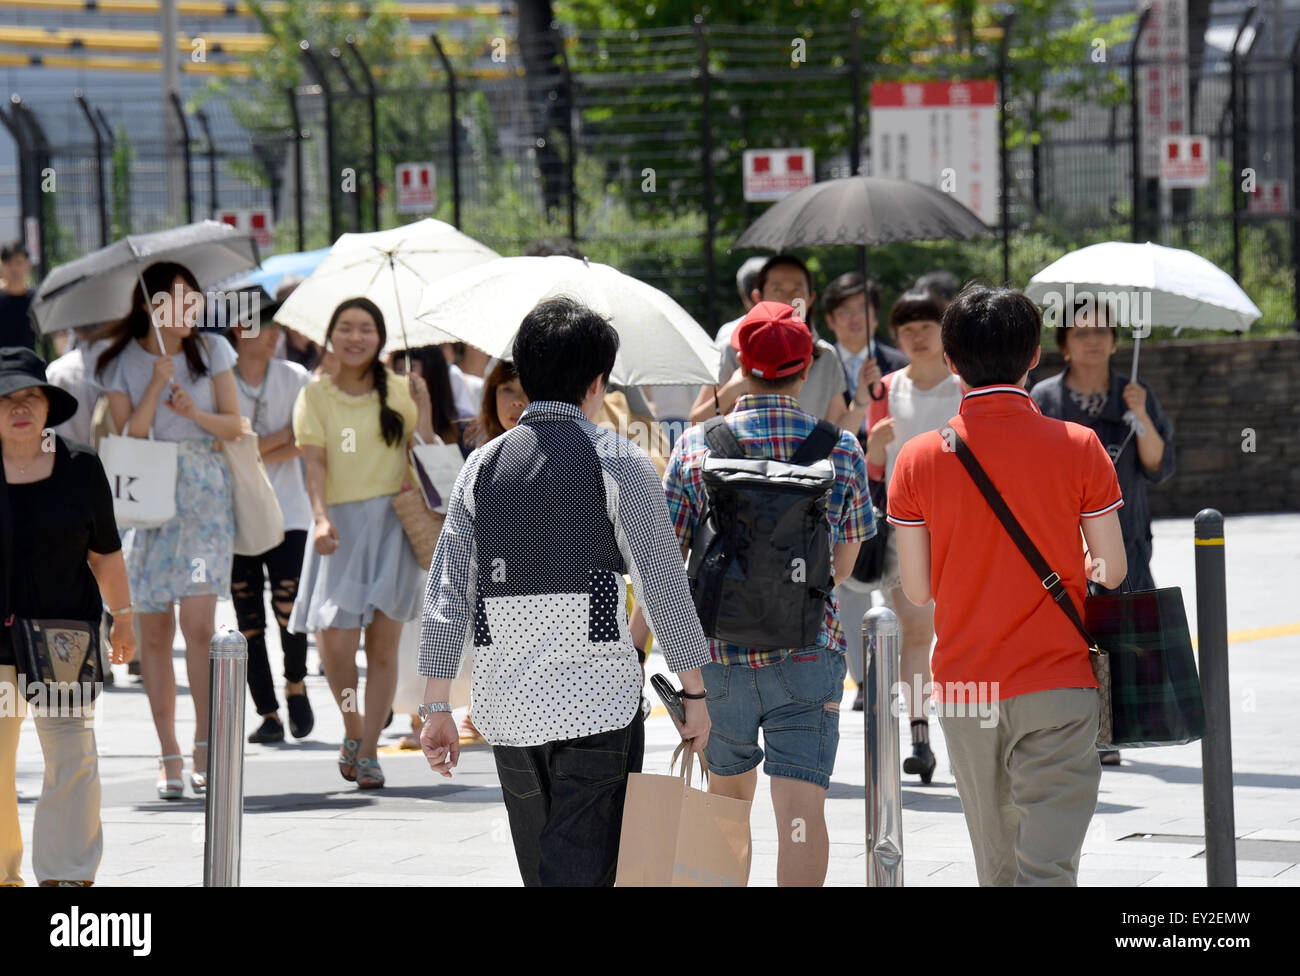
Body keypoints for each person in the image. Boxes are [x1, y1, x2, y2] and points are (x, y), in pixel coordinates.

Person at [418, 296, 712, 888]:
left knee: (546, 870)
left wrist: (435, 705)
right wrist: (695, 695)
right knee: (581, 870)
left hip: (507, 703)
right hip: (598, 697)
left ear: (523, 376)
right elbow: (662, 585)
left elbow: (449, 589)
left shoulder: (481, 465)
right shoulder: (619, 460)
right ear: (598, 381)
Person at [887, 285, 1127, 886]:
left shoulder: (917, 458)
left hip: (967, 683)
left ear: (951, 362)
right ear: (1035, 356)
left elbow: (916, 591)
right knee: (1046, 865)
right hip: (1058, 677)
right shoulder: (1079, 446)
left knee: (995, 866)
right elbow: (1113, 569)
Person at [664, 301, 873, 887]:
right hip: (809, 649)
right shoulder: (841, 448)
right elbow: (849, 557)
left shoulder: (697, 445)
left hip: (719, 657)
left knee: (725, 804)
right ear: (806, 368)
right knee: (801, 815)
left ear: (738, 362)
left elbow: (670, 559)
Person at [98, 261, 242, 799]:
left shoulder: (213, 351)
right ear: (148, 306)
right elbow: (124, 438)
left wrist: (192, 412)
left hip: (203, 493)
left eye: (193, 299)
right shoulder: (117, 363)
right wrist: (154, 388)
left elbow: (235, 425)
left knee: (200, 625)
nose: (189, 311)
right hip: (145, 498)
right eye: (177, 302)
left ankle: (206, 744)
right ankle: (169, 754)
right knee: (153, 631)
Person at [0, 348, 137, 886]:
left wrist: (123, 619)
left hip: (63, 639)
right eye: (6, 399)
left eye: (29, 396)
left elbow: (105, 551)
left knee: (72, 759)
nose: (19, 408)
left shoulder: (80, 465)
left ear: (47, 405)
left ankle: (66, 875)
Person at [288, 297, 434, 790]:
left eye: (366, 328)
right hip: (339, 531)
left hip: (392, 525)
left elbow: (427, 454)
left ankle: (369, 748)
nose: (356, 337)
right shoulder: (315, 396)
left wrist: (425, 407)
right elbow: (315, 465)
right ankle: (353, 726)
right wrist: (321, 519)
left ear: (381, 337)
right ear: (331, 335)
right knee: (336, 647)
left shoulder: (401, 390)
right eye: (346, 327)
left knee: (384, 648)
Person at [1030, 297, 1175, 766]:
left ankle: (1114, 728)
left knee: (1121, 630)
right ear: (1065, 345)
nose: (1092, 340)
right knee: (1071, 631)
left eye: (1101, 332)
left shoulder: (1135, 392)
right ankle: (1077, 726)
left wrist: (1142, 416)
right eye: (1081, 333)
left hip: (1123, 532)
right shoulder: (1046, 399)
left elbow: (1159, 465)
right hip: (1062, 537)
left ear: (1115, 341)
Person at [856, 289, 962, 779]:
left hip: (964, 528)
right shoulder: (885, 390)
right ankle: (921, 734)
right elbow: (873, 477)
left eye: (926, 325)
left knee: (963, 632)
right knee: (916, 633)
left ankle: (970, 731)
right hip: (905, 528)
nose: (917, 336)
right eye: (906, 328)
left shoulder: (966, 389)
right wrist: (874, 449)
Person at [227, 315, 315, 745]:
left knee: (289, 605)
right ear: (238, 332)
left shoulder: (294, 376)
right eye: (263, 326)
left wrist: (251, 449)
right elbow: (219, 444)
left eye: (276, 327)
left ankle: (296, 683)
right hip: (235, 513)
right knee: (248, 621)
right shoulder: (219, 379)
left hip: (291, 511)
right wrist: (276, 439)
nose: (274, 335)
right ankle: (268, 713)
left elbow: (307, 438)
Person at [688, 255, 849, 425]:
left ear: (810, 299)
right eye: (777, 289)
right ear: (758, 297)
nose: (787, 299)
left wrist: (862, 400)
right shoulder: (730, 349)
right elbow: (694, 423)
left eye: (797, 289)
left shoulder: (825, 356)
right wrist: (731, 390)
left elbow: (837, 428)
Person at [0, 244, 36, 352]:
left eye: (18, 262)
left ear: (28, 265)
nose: (14, 268)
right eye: (8, 263)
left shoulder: (35, 299)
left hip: (29, 364)